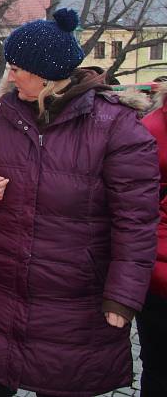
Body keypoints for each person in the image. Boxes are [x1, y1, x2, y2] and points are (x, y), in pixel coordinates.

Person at [0, 8, 159, 396]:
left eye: (17, 68)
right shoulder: (3, 113)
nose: (9, 75)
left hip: (72, 301)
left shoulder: (114, 125)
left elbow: (136, 221)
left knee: (62, 384)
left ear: (46, 74)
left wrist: (123, 295)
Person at [139, 88, 167, 396]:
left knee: (157, 367)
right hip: (157, 268)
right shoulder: (150, 128)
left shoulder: (149, 125)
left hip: (155, 268)